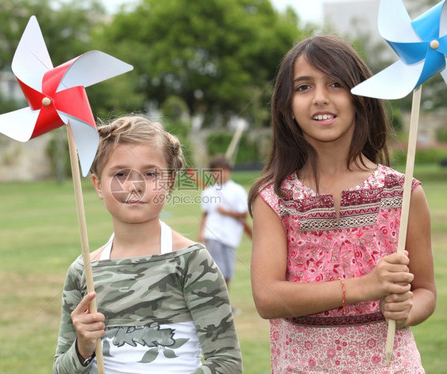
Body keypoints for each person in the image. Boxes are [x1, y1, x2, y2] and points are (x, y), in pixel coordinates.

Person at [247, 35, 436, 372]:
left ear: (361, 96)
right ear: (286, 106)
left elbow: (425, 291)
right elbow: (267, 298)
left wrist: (408, 310)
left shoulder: (403, 193)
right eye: (303, 87)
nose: (320, 98)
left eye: (335, 84)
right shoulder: (276, 198)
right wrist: (364, 287)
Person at [53, 116, 242, 374]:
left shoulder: (191, 261)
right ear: (98, 184)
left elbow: (226, 364)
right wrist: (82, 348)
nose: (135, 186)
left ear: (170, 182)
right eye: (120, 174)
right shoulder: (83, 271)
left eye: (151, 173)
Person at [198, 155, 248, 291]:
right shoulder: (208, 192)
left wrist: (227, 212)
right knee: (217, 270)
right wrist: (200, 236)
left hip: (231, 236)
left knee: (228, 272)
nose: (220, 174)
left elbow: (244, 213)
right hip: (213, 234)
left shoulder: (237, 191)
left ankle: (225, 303)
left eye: (223, 170)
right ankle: (219, 303)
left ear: (229, 171)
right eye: (215, 171)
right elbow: (205, 214)